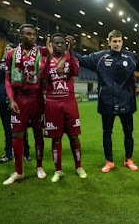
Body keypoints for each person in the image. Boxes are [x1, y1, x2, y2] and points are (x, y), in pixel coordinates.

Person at [58, 30, 139, 173]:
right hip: (107, 102)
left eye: (119, 41)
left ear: (122, 42)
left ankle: (128, 159)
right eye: (114, 41)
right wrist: (70, 48)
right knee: (106, 133)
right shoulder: (100, 57)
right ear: (109, 42)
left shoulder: (131, 58)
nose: (117, 44)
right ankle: (109, 161)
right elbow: (80, 59)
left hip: (126, 103)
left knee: (128, 132)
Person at [3, 24, 47, 185]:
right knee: (17, 134)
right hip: (19, 98)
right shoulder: (12, 54)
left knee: (38, 133)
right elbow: (7, 78)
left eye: (34, 34)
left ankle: (39, 167)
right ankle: (19, 171)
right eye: (28, 34)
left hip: (36, 98)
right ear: (20, 37)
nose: (32, 37)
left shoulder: (42, 51)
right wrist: (11, 99)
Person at [40, 33, 87, 182]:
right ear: (51, 44)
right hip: (53, 103)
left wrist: (71, 52)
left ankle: (79, 167)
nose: (59, 45)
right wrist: (49, 57)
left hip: (69, 102)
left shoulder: (70, 57)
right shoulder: (45, 59)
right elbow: (43, 75)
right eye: (57, 43)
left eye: (62, 43)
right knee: (56, 138)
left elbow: (76, 71)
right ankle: (58, 171)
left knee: (74, 136)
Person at [0, 44, 30, 164]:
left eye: (9, 49)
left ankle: (26, 152)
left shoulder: (19, 63)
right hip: (3, 100)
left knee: (21, 128)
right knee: (7, 129)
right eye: (5, 50)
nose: (7, 51)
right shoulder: (0, 65)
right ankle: (8, 153)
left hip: (17, 100)